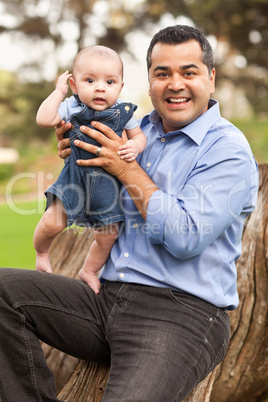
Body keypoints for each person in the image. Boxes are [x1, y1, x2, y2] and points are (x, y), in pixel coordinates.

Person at [0, 25, 258, 402]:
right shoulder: (132, 129)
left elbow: (186, 236)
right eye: (162, 73)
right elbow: (94, 195)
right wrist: (77, 150)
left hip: (181, 314)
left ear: (211, 79)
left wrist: (125, 169)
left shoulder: (228, 150)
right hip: (107, 299)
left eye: (189, 72)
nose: (175, 84)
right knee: (5, 293)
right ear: (148, 81)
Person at [34, 45, 147, 294]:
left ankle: (88, 269)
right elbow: (44, 119)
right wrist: (57, 92)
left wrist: (135, 146)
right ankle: (42, 253)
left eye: (109, 81)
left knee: (108, 233)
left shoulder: (125, 112)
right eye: (90, 80)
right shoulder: (72, 106)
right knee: (53, 223)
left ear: (120, 86)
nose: (100, 87)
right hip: (74, 177)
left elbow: (139, 137)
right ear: (74, 86)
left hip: (107, 183)